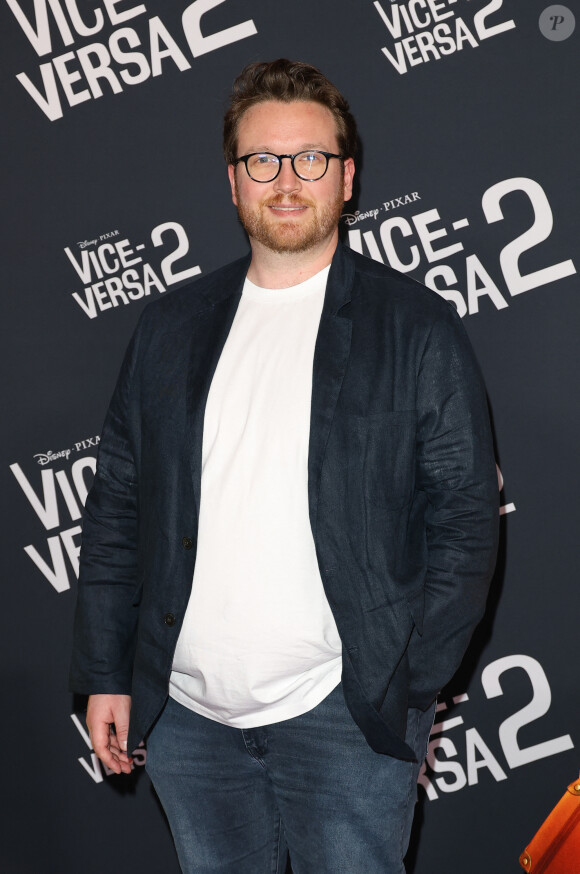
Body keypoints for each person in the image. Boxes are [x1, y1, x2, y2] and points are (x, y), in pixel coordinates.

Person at [70, 59, 499, 873]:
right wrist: (106, 671)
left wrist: (405, 681)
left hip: (347, 716)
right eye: (263, 160)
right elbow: (120, 507)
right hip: (189, 722)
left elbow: (466, 517)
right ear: (234, 182)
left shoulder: (414, 326)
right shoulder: (168, 329)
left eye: (311, 159)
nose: (288, 179)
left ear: (347, 178)